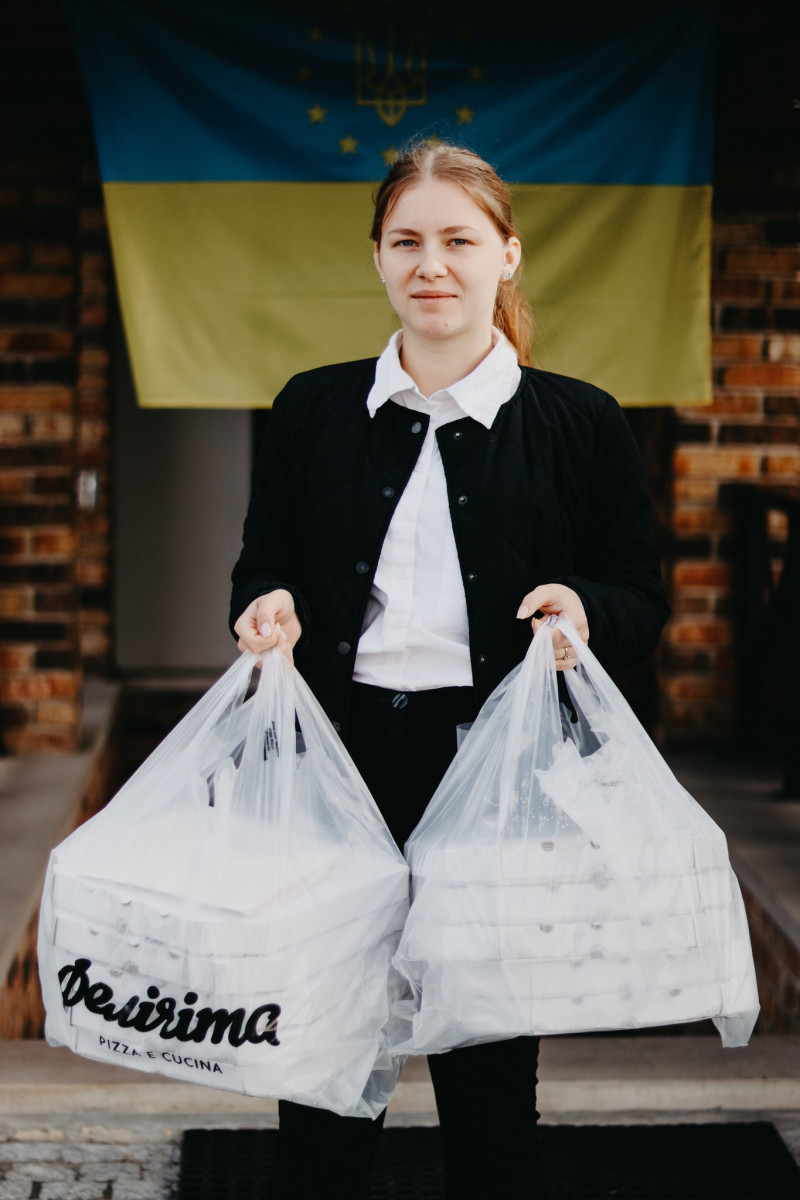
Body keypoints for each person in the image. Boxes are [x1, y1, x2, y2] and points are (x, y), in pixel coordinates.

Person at [230, 139, 670, 1199]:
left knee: (485, 1088)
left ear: (506, 255)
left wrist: (579, 610)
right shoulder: (309, 408)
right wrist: (265, 603)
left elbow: (635, 596)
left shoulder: (579, 422)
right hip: (337, 770)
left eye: (458, 240)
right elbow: (263, 562)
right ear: (378, 260)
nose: (433, 264)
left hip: (495, 777)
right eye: (407, 241)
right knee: (329, 1075)